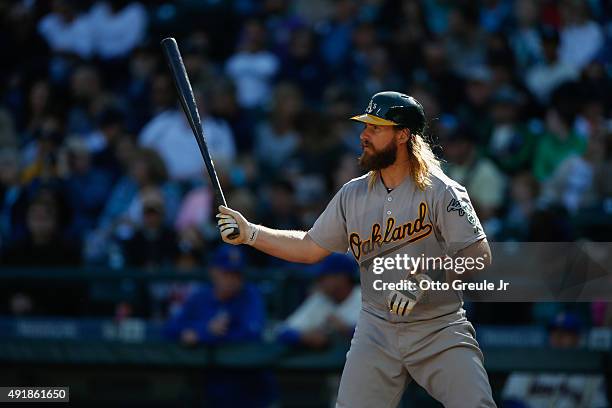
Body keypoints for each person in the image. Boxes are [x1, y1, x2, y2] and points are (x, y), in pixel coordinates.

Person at [217, 91, 496, 407]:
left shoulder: (442, 191)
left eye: (376, 128)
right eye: (366, 127)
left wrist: (424, 279)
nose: (364, 135)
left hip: (437, 327)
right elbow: (310, 247)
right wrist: (251, 233)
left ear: (403, 135)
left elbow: (478, 256)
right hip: (376, 329)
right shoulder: (353, 193)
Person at [277, 253, 360, 348]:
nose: (318, 282)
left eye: (323, 277)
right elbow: (283, 332)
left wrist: (346, 330)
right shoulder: (319, 299)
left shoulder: (367, 300)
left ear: (342, 278)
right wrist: (305, 337)